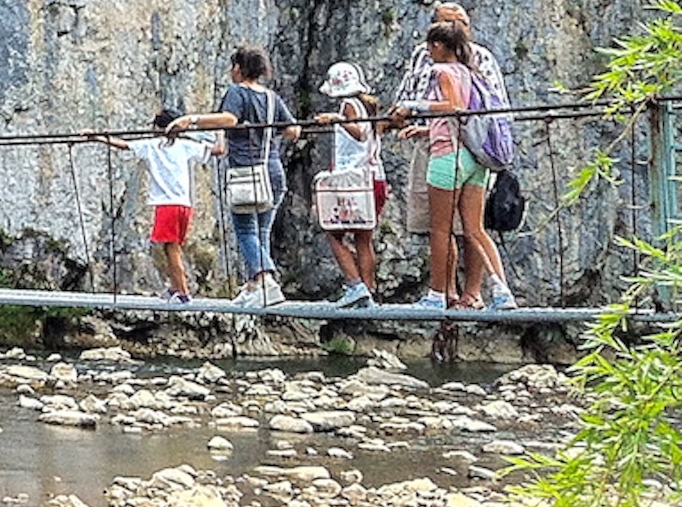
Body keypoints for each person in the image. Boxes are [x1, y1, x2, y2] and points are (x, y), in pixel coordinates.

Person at [396, 18, 515, 311]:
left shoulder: (441, 71)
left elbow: (453, 106)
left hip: (448, 156)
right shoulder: (472, 72)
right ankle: (502, 292)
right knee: (475, 229)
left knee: (441, 229)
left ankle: (436, 296)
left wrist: (413, 106)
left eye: (429, 47)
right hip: (475, 158)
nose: (428, 52)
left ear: (438, 46)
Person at [173, 45, 302, 307]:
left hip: (246, 171)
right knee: (261, 230)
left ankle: (265, 280)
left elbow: (229, 120)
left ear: (239, 69)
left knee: (245, 230)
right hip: (273, 170)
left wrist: (192, 120)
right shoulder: (271, 98)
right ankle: (255, 285)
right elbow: (293, 131)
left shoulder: (237, 92)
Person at [101, 110, 203, 303]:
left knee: (171, 249)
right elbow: (215, 150)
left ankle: (183, 292)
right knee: (171, 248)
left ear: (158, 128)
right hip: (184, 204)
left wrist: (99, 138)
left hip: (167, 205)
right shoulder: (186, 145)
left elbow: (124, 145)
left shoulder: (152, 146)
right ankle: (175, 288)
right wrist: (222, 134)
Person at [312, 61, 384, 307]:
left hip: (353, 179)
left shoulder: (349, 105)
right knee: (364, 239)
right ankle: (368, 293)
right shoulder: (368, 105)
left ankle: (355, 285)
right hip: (374, 178)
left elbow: (359, 133)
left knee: (333, 232)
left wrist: (336, 119)